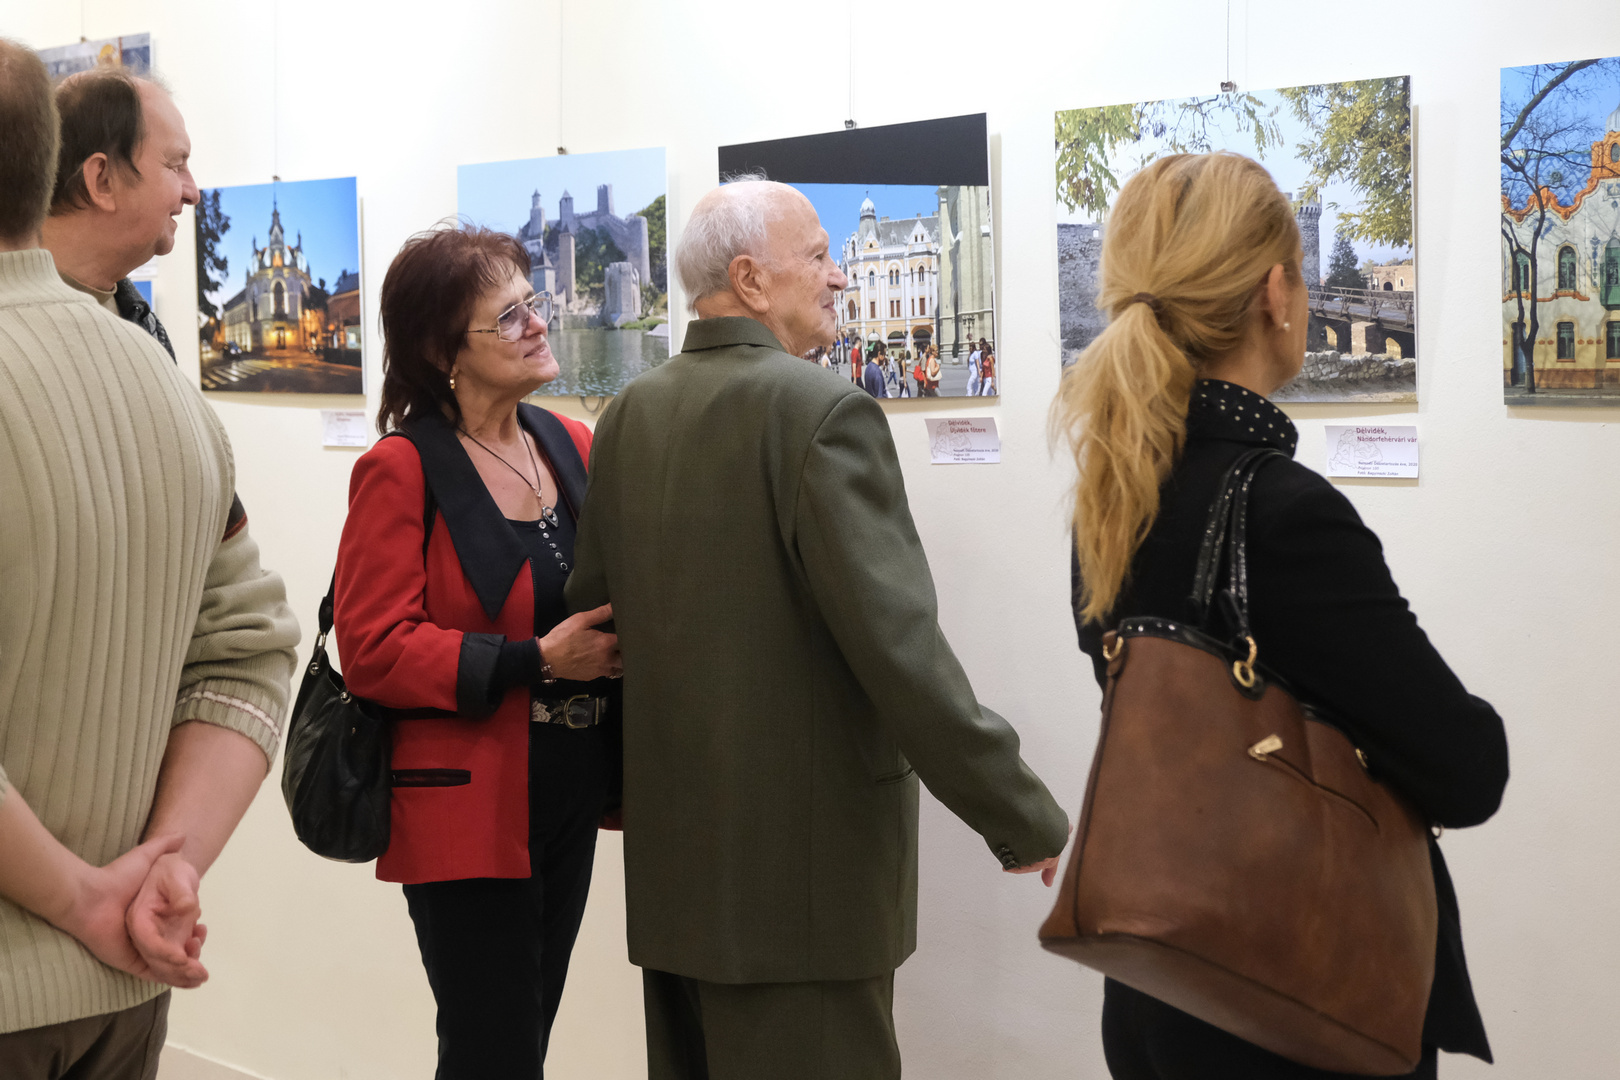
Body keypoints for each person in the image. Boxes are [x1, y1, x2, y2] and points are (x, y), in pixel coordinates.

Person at [566, 178, 1069, 1080]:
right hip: (806, 885)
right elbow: (899, 650)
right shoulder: (822, 412)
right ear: (751, 280)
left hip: (677, 876)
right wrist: (1019, 813)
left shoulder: (629, 414)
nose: (839, 277)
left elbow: (601, 620)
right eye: (820, 257)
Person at [1051, 152, 1508, 1080]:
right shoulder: (1285, 511)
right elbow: (1466, 771)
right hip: (1292, 1002)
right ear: (1276, 291)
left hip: (1161, 976)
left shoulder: (1117, 495)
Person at [0, 39, 299, 1079]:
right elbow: (252, 650)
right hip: (121, 994)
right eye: (176, 163)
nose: (194, 188)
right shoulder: (166, 385)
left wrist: (90, 895)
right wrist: (165, 871)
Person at [334, 225, 623, 1080]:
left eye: (534, 304)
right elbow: (374, 648)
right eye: (509, 317)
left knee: (526, 1037)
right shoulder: (401, 468)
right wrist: (536, 661)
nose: (538, 324)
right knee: (492, 1051)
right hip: (465, 803)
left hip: (572, 784)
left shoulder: (569, 443)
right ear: (441, 352)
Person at [42, 68, 197, 357]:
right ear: (103, 181)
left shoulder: (143, 324)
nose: (193, 193)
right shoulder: (17, 331)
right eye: (176, 165)